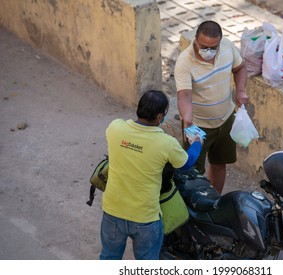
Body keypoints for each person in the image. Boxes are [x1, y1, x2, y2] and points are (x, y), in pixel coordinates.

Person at [99, 90, 203, 260]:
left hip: (112, 212)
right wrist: (197, 142)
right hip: (145, 218)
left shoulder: (115, 128)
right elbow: (187, 164)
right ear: (160, 117)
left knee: (109, 257)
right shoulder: (166, 143)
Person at [174, 20, 249, 194]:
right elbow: (184, 95)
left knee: (219, 164)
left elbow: (240, 68)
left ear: (220, 42)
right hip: (197, 126)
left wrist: (240, 91)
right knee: (191, 172)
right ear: (196, 40)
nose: (208, 51)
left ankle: (213, 203)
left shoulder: (228, 48)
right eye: (204, 46)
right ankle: (192, 212)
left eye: (213, 47)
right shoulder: (184, 62)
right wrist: (188, 120)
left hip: (226, 119)